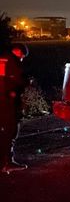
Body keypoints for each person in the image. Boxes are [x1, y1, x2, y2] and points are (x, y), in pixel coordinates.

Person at [1, 43, 29, 173]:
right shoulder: (13, 61)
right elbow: (19, 80)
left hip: (2, 99)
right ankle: (7, 162)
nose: (22, 59)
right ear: (18, 52)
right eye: (22, 56)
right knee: (11, 130)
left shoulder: (3, 59)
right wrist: (27, 82)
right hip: (8, 101)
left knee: (3, 131)